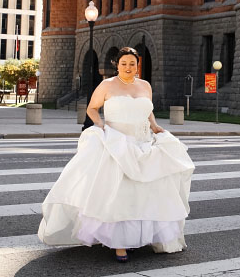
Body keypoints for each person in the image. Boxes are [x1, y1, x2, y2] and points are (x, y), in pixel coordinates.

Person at [38, 47, 194, 262]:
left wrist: (155, 126)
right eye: (124, 64)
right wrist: (100, 125)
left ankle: (143, 236)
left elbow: (147, 110)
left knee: (146, 192)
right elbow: (92, 108)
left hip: (143, 142)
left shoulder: (145, 85)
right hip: (116, 142)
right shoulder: (107, 85)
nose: (128, 67)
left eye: (132, 63)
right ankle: (119, 243)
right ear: (117, 65)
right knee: (119, 194)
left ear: (137, 65)